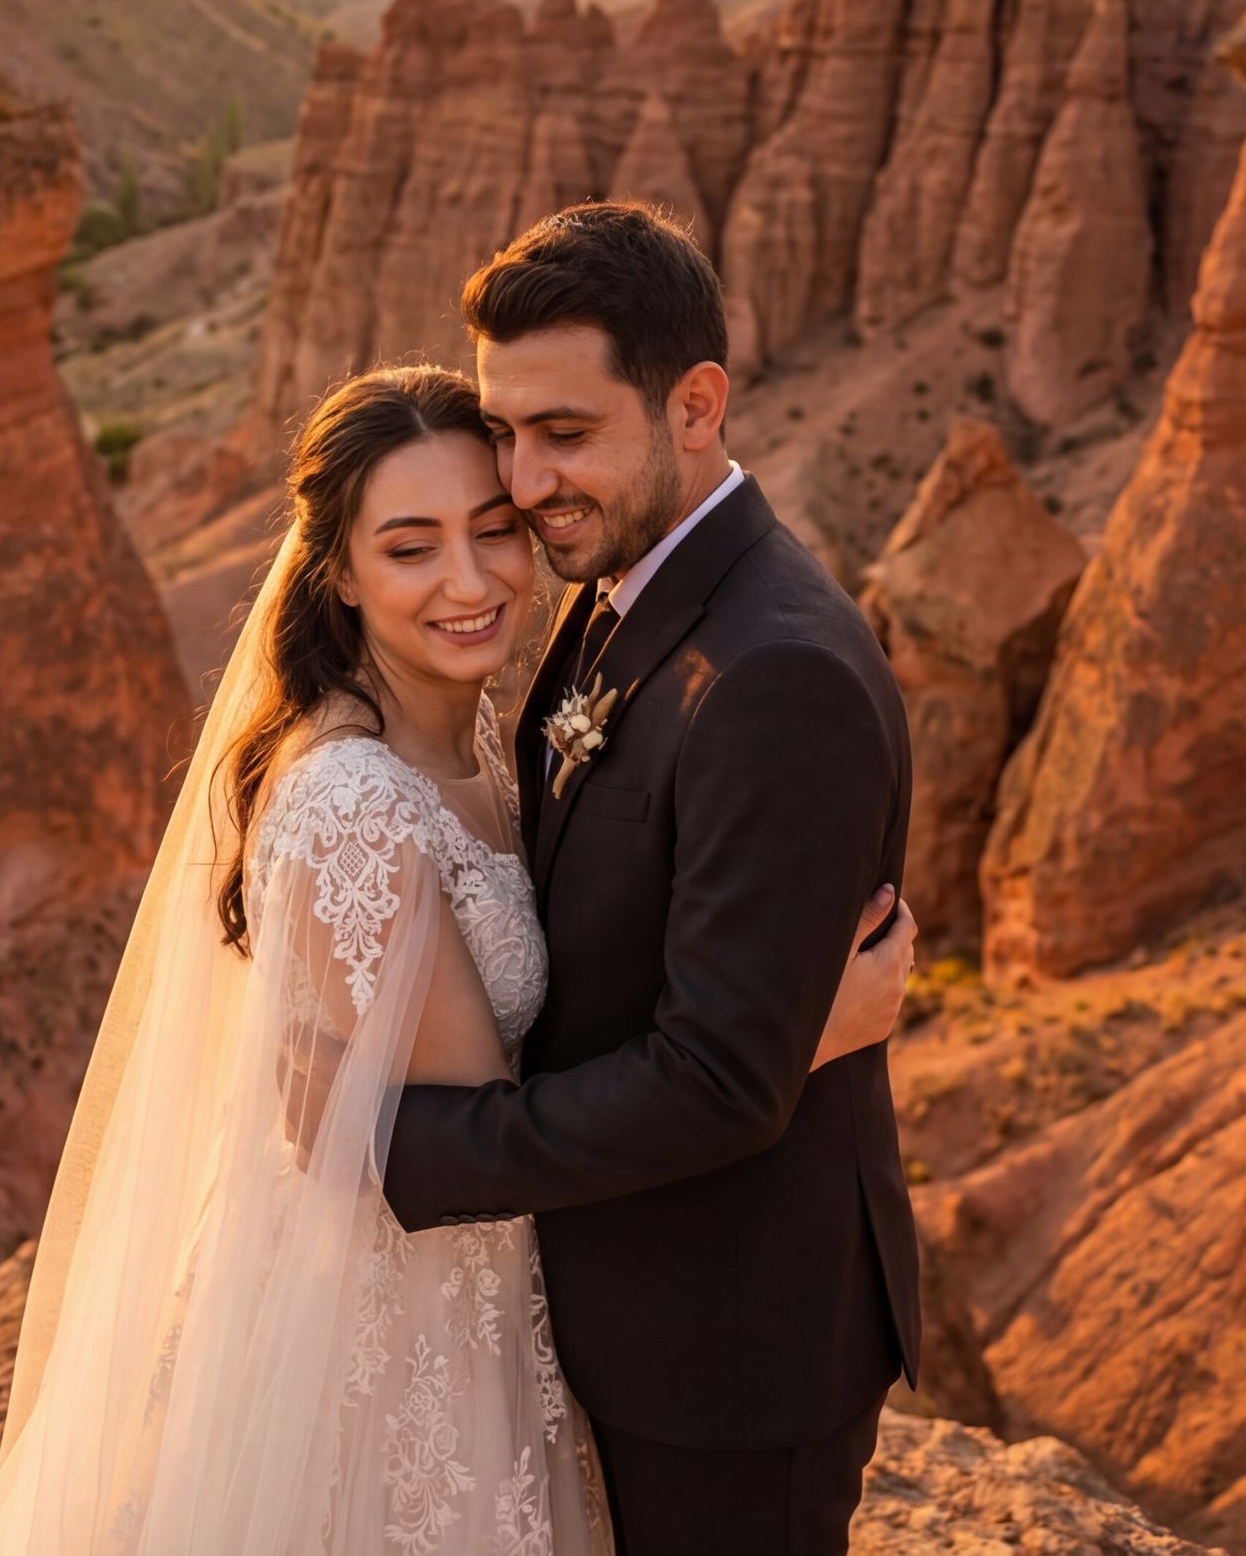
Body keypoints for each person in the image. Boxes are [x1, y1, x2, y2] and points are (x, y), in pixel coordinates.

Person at [0, 359, 912, 1554]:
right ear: (340, 576)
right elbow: (490, 1127)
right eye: (410, 548)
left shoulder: (477, 748)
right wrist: (788, 1039)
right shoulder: (359, 801)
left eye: (495, 530)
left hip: (485, 1292)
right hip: (411, 1320)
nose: (470, 582)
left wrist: (756, 1034)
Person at [382, 202, 925, 1555]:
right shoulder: (624, 584)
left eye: (564, 432)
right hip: (631, 1299)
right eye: (506, 431)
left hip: (728, 1349)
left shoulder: (775, 673)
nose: (523, 476)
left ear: (694, 405)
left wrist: (411, 1154)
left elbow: (719, 1083)